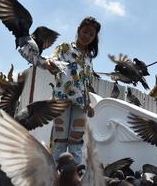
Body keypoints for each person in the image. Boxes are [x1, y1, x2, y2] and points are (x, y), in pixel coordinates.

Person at [19, 16, 101, 164]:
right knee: (60, 140)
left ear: (94, 37)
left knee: (76, 140)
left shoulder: (89, 58)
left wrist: (88, 104)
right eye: (85, 32)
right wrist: (50, 64)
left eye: (91, 34)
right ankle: (56, 177)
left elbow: (85, 84)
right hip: (61, 101)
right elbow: (53, 59)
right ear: (79, 30)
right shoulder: (65, 48)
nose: (87, 36)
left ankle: (75, 177)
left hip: (80, 105)